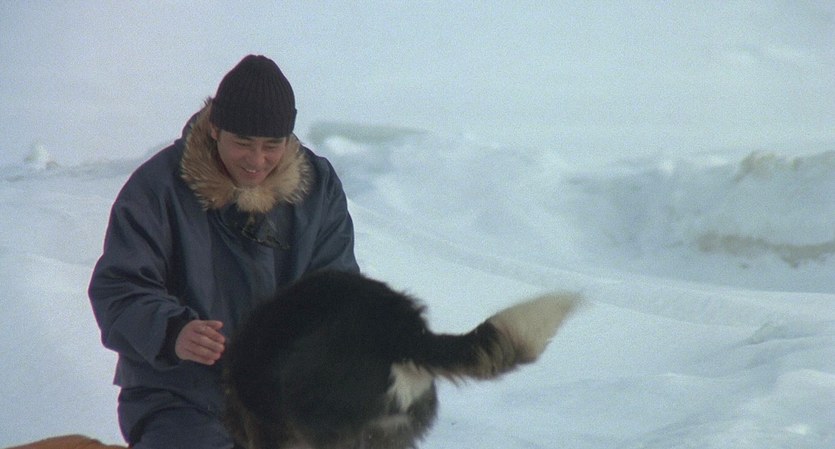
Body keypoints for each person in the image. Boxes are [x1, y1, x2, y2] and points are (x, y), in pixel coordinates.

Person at [88, 55, 360, 449]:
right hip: (179, 394)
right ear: (215, 129)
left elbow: (339, 291)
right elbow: (118, 288)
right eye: (243, 143)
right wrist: (172, 332)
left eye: (272, 146)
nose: (256, 160)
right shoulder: (157, 188)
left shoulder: (319, 188)